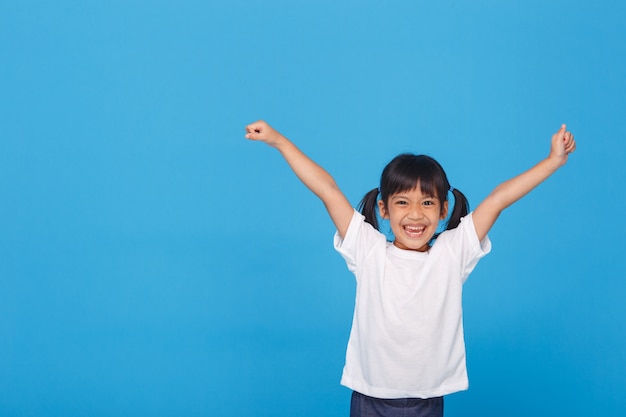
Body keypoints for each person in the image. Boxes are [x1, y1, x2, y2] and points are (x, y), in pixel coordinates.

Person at [244, 120, 576, 417]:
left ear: (444, 209)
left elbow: (498, 199)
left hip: (427, 400)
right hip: (370, 397)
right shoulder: (368, 249)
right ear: (384, 209)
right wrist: (279, 142)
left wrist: (553, 162)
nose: (415, 215)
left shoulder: (452, 252)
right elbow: (327, 190)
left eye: (427, 203)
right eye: (403, 202)